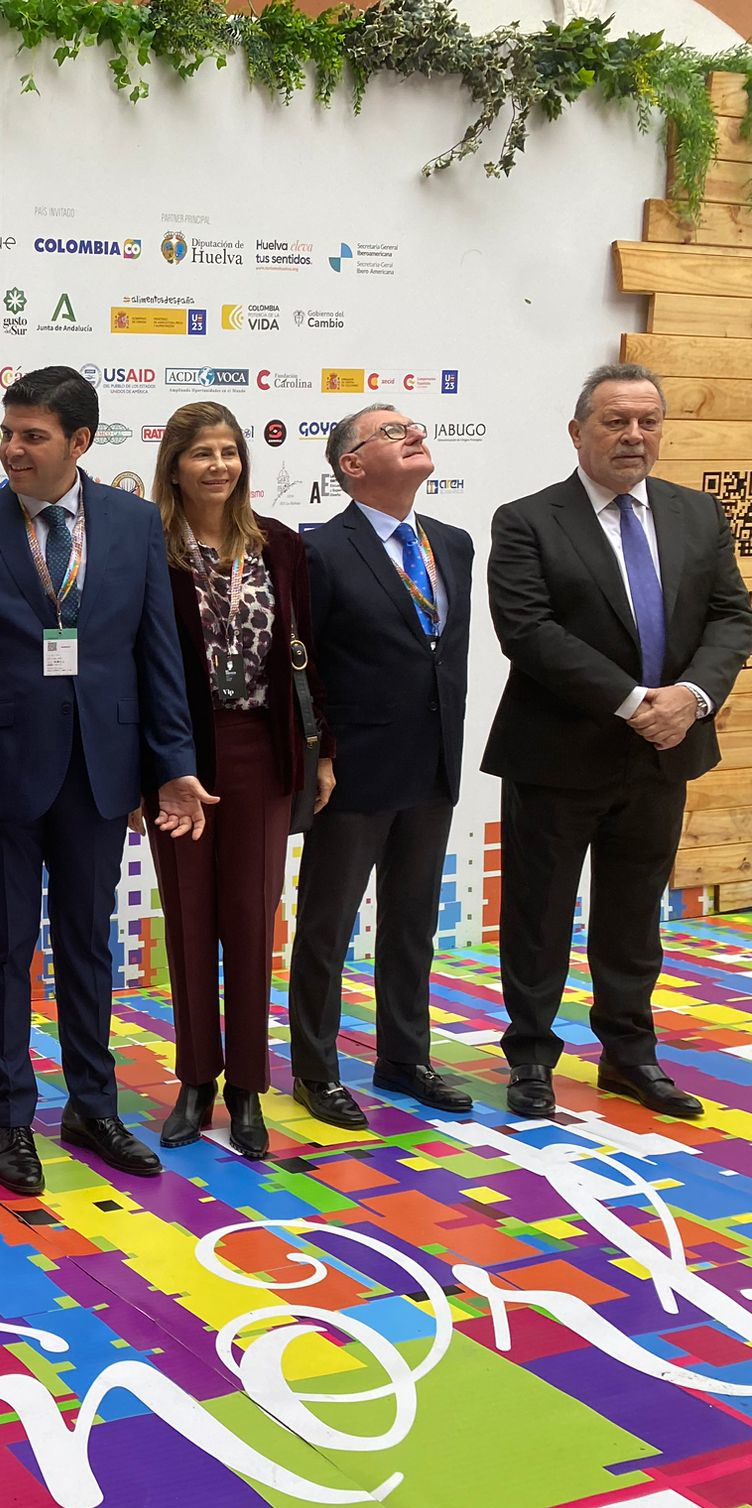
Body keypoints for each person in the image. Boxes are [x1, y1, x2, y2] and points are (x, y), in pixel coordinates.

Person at [0, 366, 214, 1191]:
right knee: (6, 948)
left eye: (33, 436)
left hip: (101, 769)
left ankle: (93, 1106)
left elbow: (157, 653)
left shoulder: (133, 523)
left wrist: (172, 766)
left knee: (89, 945)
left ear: (80, 442)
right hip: (1, 773)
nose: (12, 449)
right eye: (7, 433)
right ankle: (10, 1118)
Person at [485, 363, 752, 1119]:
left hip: (666, 751)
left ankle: (630, 1057)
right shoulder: (527, 520)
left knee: (635, 917)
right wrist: (636, 703)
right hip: (557, 754)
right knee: (539, 914)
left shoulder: (698, 513)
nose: (634, 436)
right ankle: (531, 1057)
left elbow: (733, 616)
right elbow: (528, 631)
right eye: (615, 421)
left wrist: (691, 698)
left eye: (648, 422)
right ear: (578, 432)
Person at [143, 403, 332, 1160]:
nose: (219, 465)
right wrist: (151, 768)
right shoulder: (150, 548)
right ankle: (195, 1080)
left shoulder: (279, 545)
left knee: (252, 922)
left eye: (229, 451)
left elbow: (309, 654)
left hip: (262, 748)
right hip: (178, 756)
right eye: (202, 453)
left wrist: (322, 754)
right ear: (174, 467)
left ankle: (248, 1087)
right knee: (189, 921)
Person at [285, 406, 474, 1129]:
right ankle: (316, 1070)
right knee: (327, 927)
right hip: (353, 770)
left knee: (412, 923)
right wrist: (321, 756)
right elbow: (306, 670)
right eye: (393, 432)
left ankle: (404, 1057)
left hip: (433, 761)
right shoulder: (319, 551)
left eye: (416, 426)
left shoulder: (451, 543)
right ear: (352, 465)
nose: (415, 434)